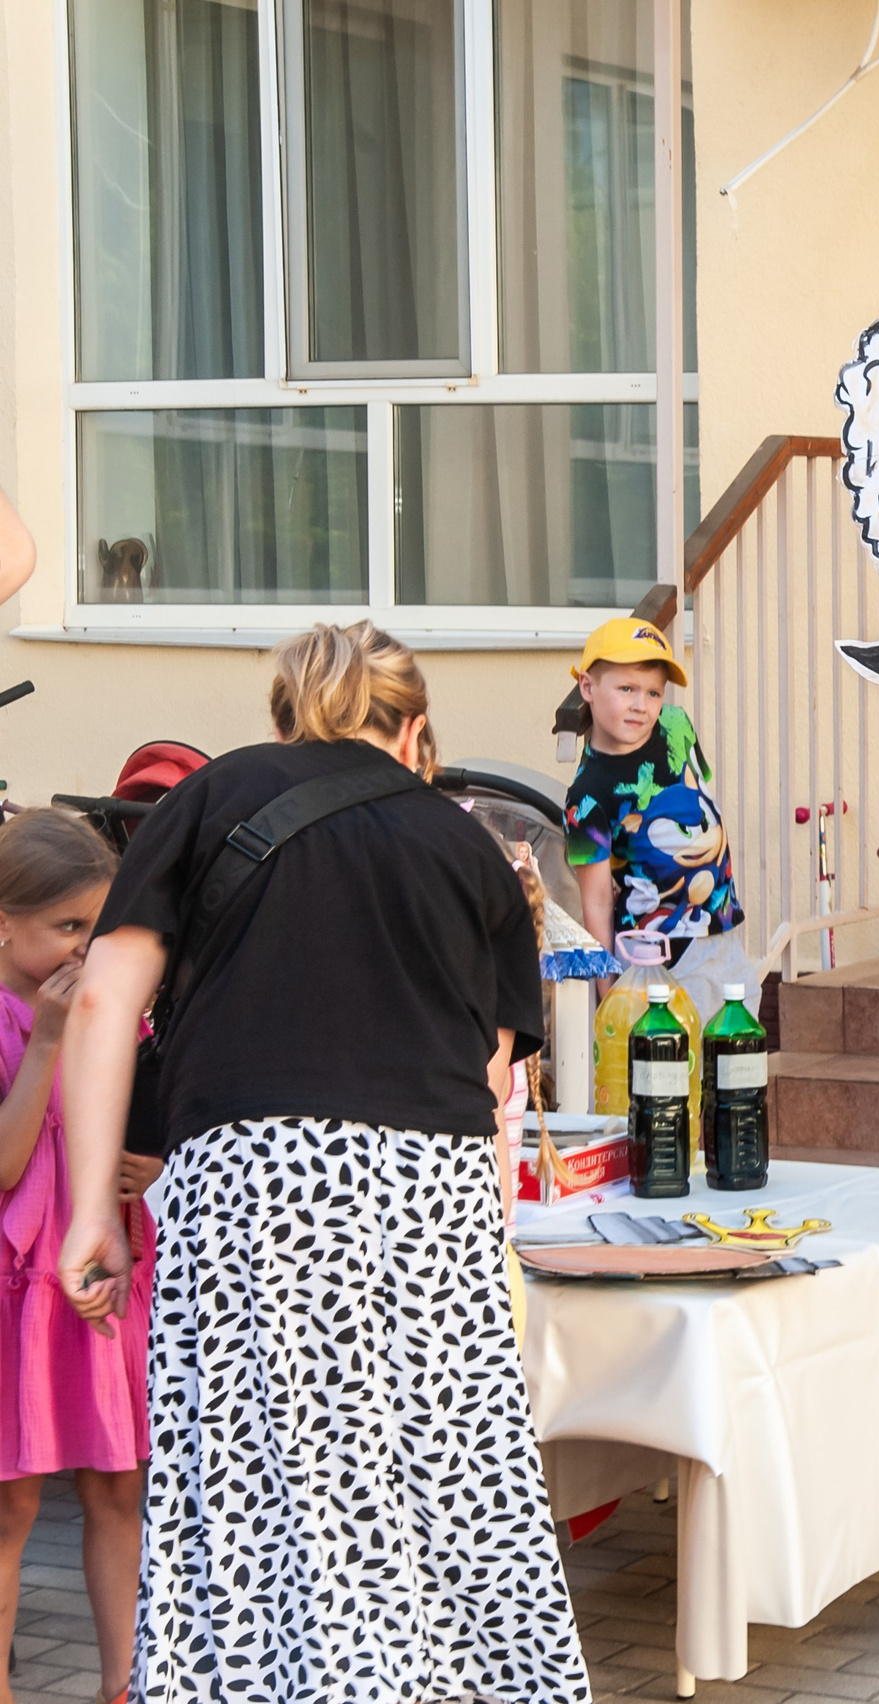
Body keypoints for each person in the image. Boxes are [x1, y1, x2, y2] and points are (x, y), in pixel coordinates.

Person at [52, 621, 590, 1703]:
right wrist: (489, 1255)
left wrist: (91, 1209)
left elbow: (106, 1001)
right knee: (439, 1483)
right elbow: (491, 1081)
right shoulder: (468, 845)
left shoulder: (215, 797)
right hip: (431, 1192)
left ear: (287, 713)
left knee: (260, 1483)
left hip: (257, 1180)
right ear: (415, 726)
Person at [0, 810, 149, 1704]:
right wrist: (50, 1039)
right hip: (17, 1285)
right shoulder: (26, 1019)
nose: (84, 948)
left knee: (118, 1489)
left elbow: (144, 1112)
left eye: (97, 928)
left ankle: (122, 1683)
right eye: (65, 928)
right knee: (11, 1503)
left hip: (97, 1278)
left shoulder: (109, 1009)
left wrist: (153, 1160)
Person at [563, 617, 745, 1010]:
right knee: (671, 1066)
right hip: (655, 956)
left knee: (730, 1058)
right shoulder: (587, 797)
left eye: (653, 693)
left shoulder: (677, 726)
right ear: (588, 687)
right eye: (626, 688)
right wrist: (608, 988)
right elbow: (595, 901)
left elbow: (703, 800)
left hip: (720, 928)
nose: (640, 705)